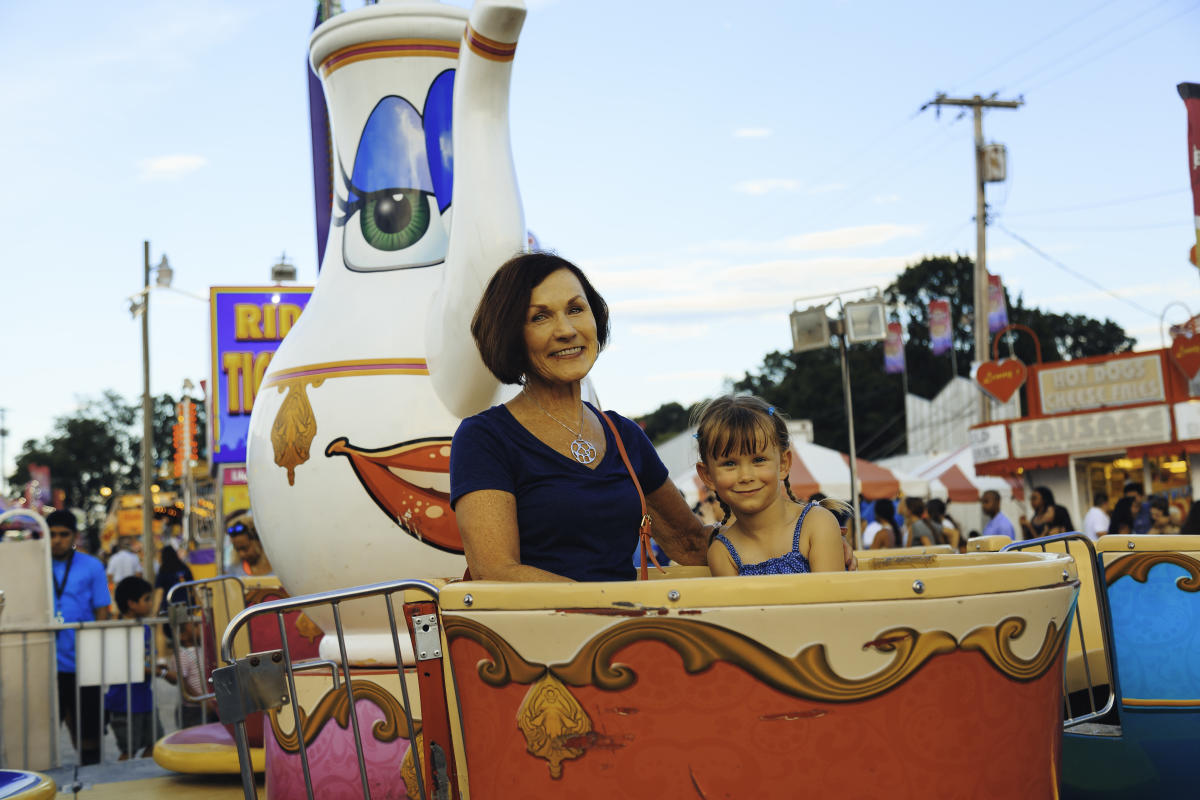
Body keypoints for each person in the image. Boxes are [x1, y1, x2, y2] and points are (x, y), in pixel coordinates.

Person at [449, 253, 711, 581]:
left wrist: (770, 522)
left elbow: (690, 544)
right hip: (555, 617)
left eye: (575, 309)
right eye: (540, 317)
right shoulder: (484, 437)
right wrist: (606, 603)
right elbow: (497, 572)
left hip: (627, 615)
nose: (566, 330)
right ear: (510, 334)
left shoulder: (625, 435)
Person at [693, 395, 849, 576]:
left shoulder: (818, 523)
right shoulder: (722, 553)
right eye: (729, 463)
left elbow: (829, 594)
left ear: (783, 463)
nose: (746, 476)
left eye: (758, 460)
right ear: (707, 476)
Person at [48, 509, 111, 765]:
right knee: (44, 734)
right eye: (52, 535)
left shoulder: (92, 565)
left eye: (63, 534)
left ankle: (90, 779)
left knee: (88, 733)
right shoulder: (36, 565)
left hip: (83, 662)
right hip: (46, 665)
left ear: (74, 536)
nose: (57, 540)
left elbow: (102, 611)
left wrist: (98, 653)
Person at [104, 576, 164, 760]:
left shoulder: (145, 628)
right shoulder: (120, 630)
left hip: (144, 699)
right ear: (131, 603)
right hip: (124, 703)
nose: (151, 603)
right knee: (128, 751)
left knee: (155, 743)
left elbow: (146, 660)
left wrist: (158, 666)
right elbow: (131, 664)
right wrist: (162, 672)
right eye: (146, 599)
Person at [154, 545, 194, 616]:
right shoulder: (184, 567)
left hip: (169, 607)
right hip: (184, 604)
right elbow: (191, 586)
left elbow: (159, 592)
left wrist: (155, 611)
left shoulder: (163, 572)